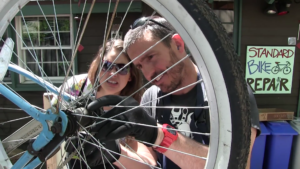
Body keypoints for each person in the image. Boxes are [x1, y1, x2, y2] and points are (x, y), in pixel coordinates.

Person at [84, 16, 261, 169]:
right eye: (139, 66)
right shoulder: (151, 97)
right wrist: (115, 153)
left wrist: (160, 136)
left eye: (150, 57)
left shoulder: (231, 94)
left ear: (177, 44)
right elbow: (148, 163)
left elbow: (236, 164)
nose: (148, 74)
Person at [51, 39, 157, 169]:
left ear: (131, 75)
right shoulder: (76, 87)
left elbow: (150, 165)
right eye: (107, 65)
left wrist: (116, 153)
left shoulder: (134, 106)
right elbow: (49, 118)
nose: (113, 74)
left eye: (122, 68)